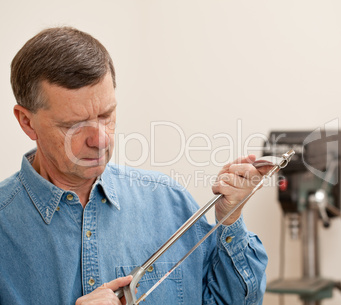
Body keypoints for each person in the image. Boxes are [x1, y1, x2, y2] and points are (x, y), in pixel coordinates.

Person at [0, 27, 269, 305]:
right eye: (73, 125)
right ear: (27, 122)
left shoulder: (169, 201)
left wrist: (230, 220)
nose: (101, 139)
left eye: (106, 115)